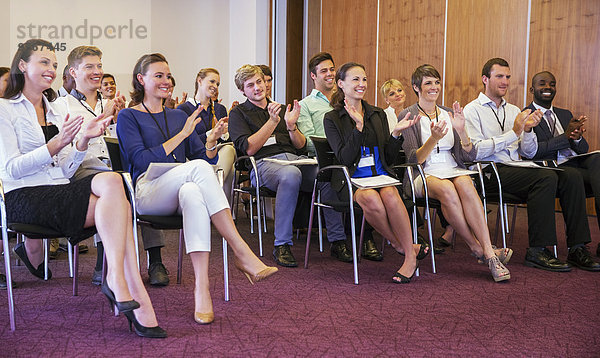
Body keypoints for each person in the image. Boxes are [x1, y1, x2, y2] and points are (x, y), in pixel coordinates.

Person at [0, 39, 165, 337]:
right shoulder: (5, 109)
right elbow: (10, 169)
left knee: (115, 181)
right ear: (22, 66)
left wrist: (82, 141)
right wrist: (55, 144)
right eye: (43, 62)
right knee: (119, 199)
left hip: (59, 190)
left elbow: (65, 170)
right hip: (24, 197)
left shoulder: (52, 110)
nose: (51, 69)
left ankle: (116, 277)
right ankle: (129, 289)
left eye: (53, 63)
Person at [117, 54, 277, 325]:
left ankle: (201, 288)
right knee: (195, 175)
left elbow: (203, 159)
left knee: (193, 191)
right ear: (141, 80)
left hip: (180, 186)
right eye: (158, 76)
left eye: (168, 75)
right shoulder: (128, 116)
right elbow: (141, 161)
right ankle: (241, 250)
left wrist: (211, 141)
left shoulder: (179, 115)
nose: (166, 81)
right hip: (147, 190)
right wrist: (182, 134)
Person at [463, 58, 600, 272]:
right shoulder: (472, 110)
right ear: (485, 79)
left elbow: (527, 152)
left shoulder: (514, 110)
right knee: (546, 177)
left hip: (516, 168)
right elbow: (475, 151)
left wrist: (527, 132)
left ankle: (577, 247)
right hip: (488, 172)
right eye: (499, 76)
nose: (505, 81)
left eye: (507, 77)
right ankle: (537, 250)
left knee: (571, 176)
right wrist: (515, 132)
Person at [399, 64, 511, 282]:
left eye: (437, 82)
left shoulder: (449, 113)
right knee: (448, 189)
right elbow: (414, 160)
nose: (434, 87)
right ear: (416, 87)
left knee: (467, 185)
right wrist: (433, 139)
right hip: (422, 174)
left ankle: (487, 250)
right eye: (428, 83)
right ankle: (478, 249)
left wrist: (461, 131)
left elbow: (468, 157)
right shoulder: (408, 115)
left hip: (452, 167)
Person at [323, 62, 428, 283]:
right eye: (355, 80)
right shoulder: (332, 118)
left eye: (364, 79)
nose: (361, 84)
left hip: (379, 174)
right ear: (341, 84)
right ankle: (401, 245)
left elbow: (388, 157)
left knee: (390, 194)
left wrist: (396, 135)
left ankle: (408, 256)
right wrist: (358, 129)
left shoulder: (377, 114)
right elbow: (344, 158)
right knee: (370, 198)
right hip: (351, 179)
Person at [297, 52, 382, 261]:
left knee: (367, 175)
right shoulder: (306, 105)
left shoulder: (352, 99)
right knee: (329, 177)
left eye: (332, 69)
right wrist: (334, 142)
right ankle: (337, 240)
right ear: (313, 76)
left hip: (352, 156)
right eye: (323, 70)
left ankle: (366, 235)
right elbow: (308, 141)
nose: (329, 74)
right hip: (322, 160)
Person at [229, 64, 315, 267]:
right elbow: (249, 149)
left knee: (327, 174)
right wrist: (272, 121)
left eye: (259, 82)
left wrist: (292, 126)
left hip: (294, 159)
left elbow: (301, 146)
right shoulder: (238, 113)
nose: (257, 88)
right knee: (291, 174)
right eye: (250, 85)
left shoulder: (283, 109)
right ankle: (282, 244)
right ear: (243, 90)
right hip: (264, 164)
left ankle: (338, 238)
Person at [524, 70, 600, 263]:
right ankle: (577, 248)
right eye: (542, 84)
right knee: (573, 174)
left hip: (573, 164)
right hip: (549, 168)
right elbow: (533, 151)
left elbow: (583, 149)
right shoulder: (526, 116)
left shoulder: (565, 114)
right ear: (532, 89)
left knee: (598, 159)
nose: (548, 87)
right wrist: (564, 137)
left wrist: (577, 137)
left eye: (552, 84)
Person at [177, 68, 236, 203]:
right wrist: (212, 133)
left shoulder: (220, 109)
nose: (215, 86)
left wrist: (224, 134)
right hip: (194, 156)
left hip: (217, 153)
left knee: (229, 149)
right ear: (199, 81)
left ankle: (211, 191)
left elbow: (225, 139)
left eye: (218, 84)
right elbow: (188, 141)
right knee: (229, 162)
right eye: (212, 81)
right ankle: (216, 198)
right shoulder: (184, 109)